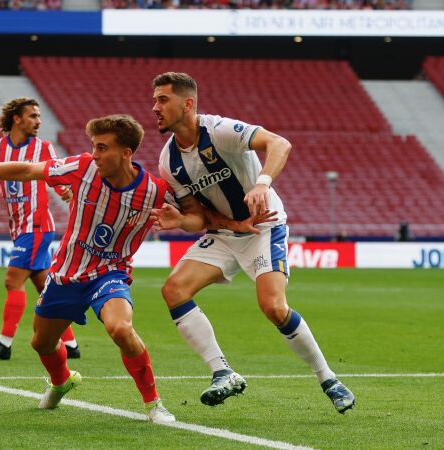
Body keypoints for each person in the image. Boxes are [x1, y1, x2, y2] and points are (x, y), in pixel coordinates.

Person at [0, 115, 185, 422]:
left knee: (120, 328)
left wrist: (201, 222)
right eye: (94, 146)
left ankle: (153, 403)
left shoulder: (156, 191)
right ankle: (61, 380)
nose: (95, 154)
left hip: (110, 274)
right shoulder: (82, 167)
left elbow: (200, 212)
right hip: (66, 273)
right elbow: (28, 169)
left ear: (126, 153)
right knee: (41, 342)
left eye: (103, 147)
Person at [151, 72, 356, 414]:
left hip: (264, 227)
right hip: (225, 233)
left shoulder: (219, 130)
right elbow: (198, 217)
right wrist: (181, 221)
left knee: (273, 307)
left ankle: (328, 378)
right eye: (154, 99)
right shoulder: (168, 161)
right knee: (174, 290)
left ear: (187, 104)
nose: (154, 107)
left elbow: (280, 144)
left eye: (162, 100)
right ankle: (223, 372)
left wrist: (262, 183)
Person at [0, 98, 80, 361]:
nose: (38, 121)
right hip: (18, 228)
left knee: (12, 280)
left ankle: (4, 343)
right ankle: (71, 344)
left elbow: (56, 174)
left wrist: (66, 191)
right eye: (32, 116)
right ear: (17, 119)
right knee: (44, 285)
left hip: (37, 226)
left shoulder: (44, 148)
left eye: (39, 116)